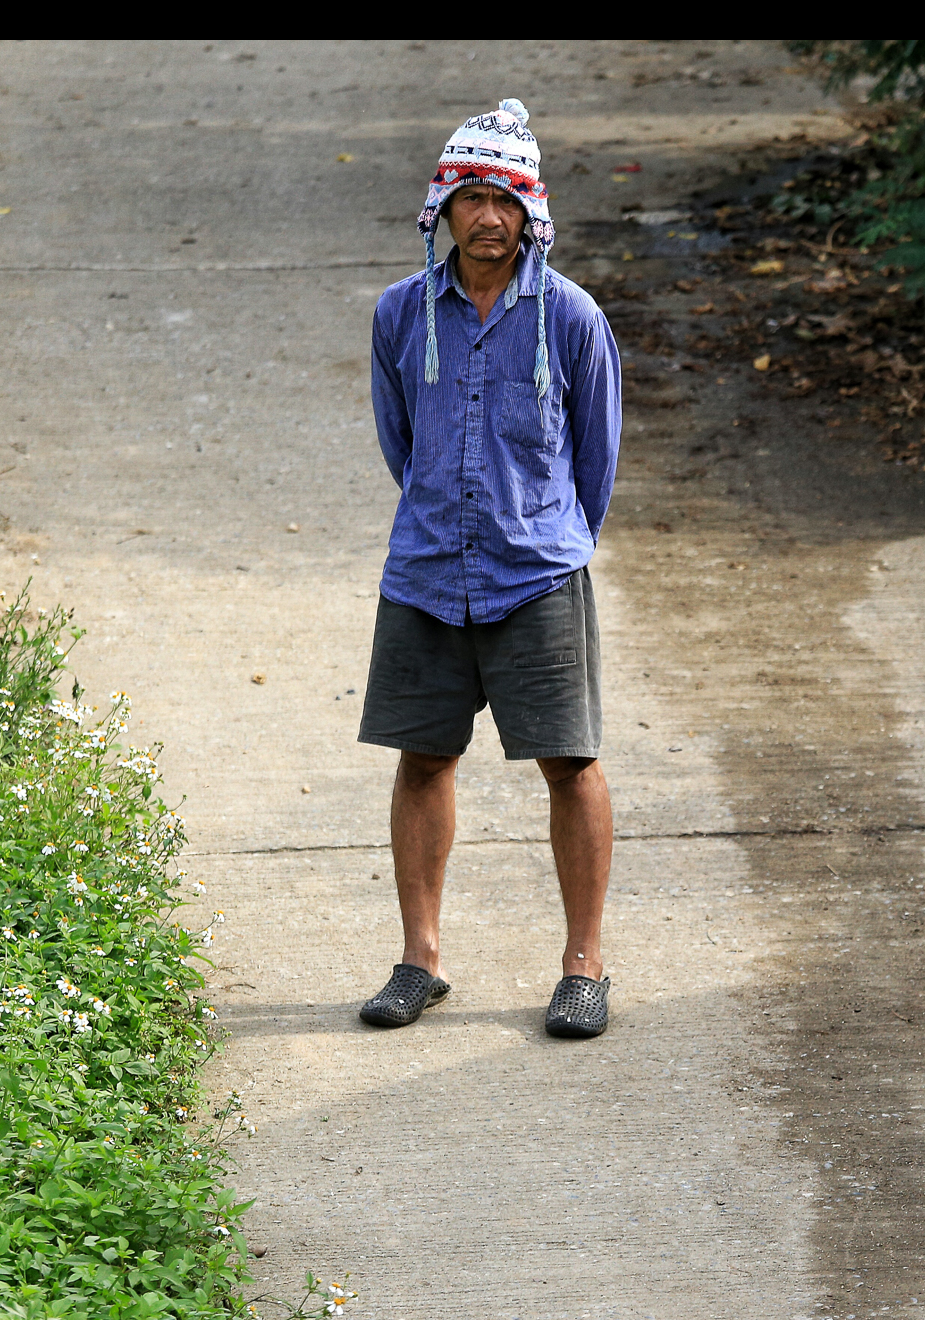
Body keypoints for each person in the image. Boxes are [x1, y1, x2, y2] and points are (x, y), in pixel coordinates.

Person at [357, 99, 623, 1040]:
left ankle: (584, 967)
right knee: (423, 759)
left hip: (536, 577)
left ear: (531, 212)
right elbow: (402, 442)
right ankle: (419, 960)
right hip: (427, 572)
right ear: (444, 206)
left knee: (571, 764)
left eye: (506, 201)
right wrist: (449, 514)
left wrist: (541, 535)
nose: (488, 219)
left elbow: (596, 464)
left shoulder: (571, 318)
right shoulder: (401, 313)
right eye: (472, 197)